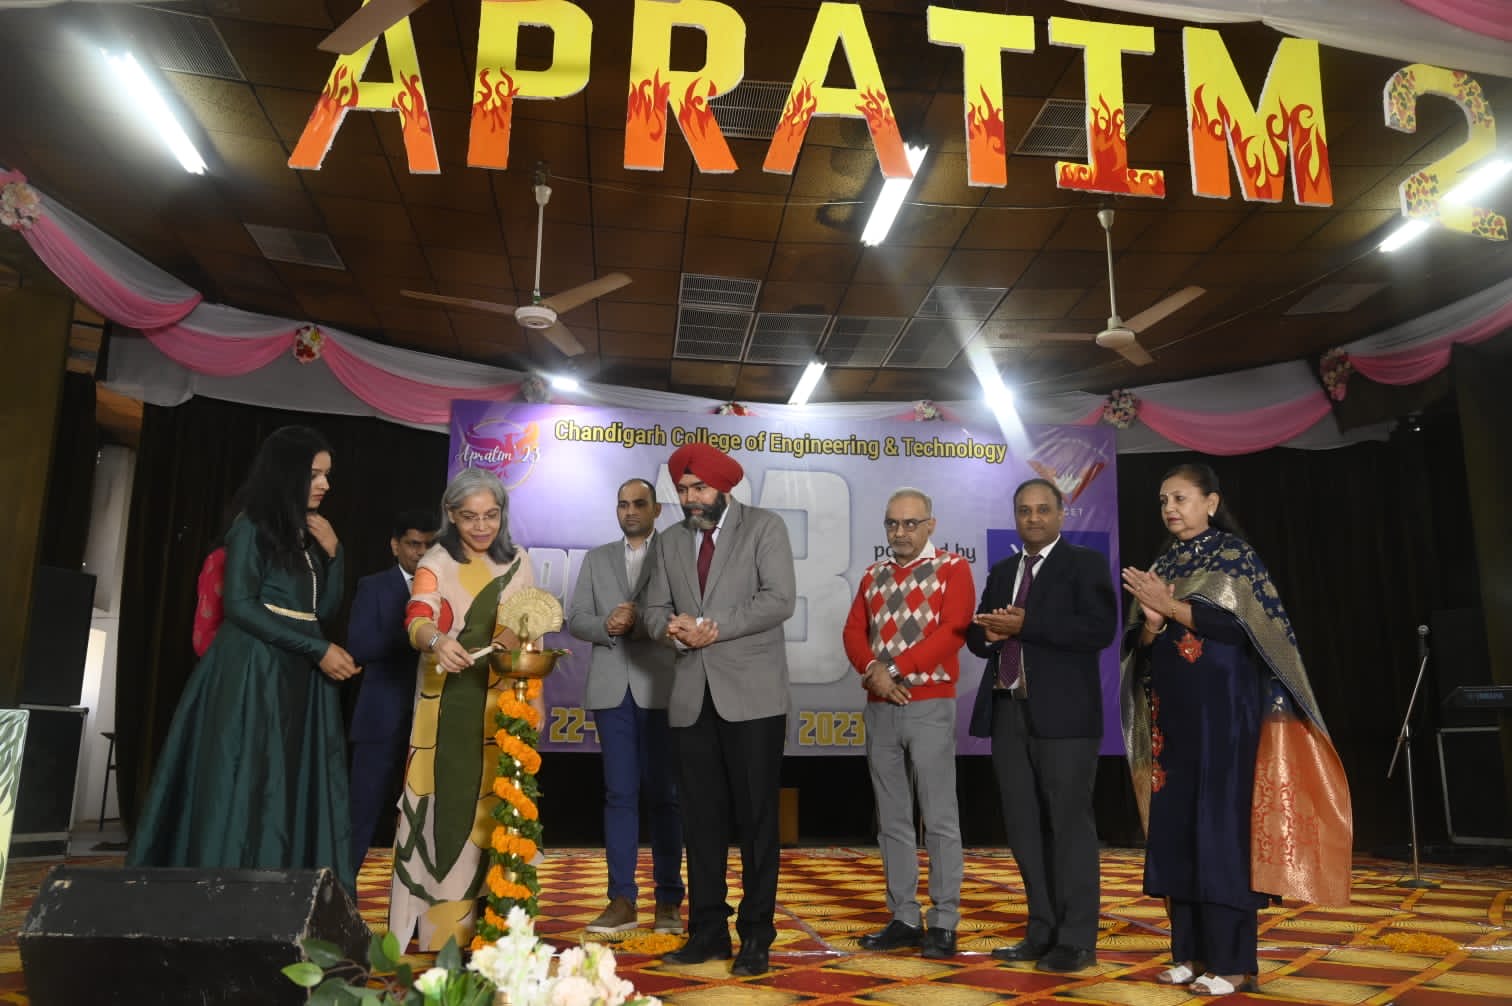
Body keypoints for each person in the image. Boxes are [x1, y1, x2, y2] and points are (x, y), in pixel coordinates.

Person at [1120, 462, 1352, 996]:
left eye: (1180, 497)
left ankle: (1233, 963)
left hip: (1226, 719)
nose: (1170, 508)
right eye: (1163, 500)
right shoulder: (1164, 563)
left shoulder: (1235, 557)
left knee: (1220, 833)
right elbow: (1138, 646)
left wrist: (1170, 606)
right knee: (1177, 831)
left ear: (1211, 502)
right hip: (1173, 721)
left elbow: (1247, 628)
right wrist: (1151, 625)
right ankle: (1190, 954)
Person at [128, 426, 360, 893]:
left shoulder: (308, 535)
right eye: (315, 474)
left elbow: (321, 613)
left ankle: (279, 888)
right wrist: (318, 650)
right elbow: (239, 606)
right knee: (246, 779)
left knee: (283, 784)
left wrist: (336, 556)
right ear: (287, 473)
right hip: (254, 670)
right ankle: (228, 892)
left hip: (295, 675)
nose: (325, 484)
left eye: (327, 475)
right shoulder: (252, 526)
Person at [642, 442, 796, 978]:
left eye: (699, 489)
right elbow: (652, 609)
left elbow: (778, 599)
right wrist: (671, 630)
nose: (690, 499)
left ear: (724, 487)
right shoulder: (669, 541)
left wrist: (714, 628)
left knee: (757, 820)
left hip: (753, 698)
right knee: (700, 821)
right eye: (683, 490)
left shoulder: (764, 527)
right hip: (691, 698)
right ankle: (707, 932)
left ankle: (756, 935)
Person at [966, 477, 1117, 974]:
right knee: (1023, 828)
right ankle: (1041, 930)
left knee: (1069, 826)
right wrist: (987, 635)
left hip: (1066, 718)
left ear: (1060, 514)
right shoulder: (1003, 569)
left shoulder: (1084, 564)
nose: (1033, 518)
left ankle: (1076, 940)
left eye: (1042, 510)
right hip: (1008, 711)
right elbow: (978, 636)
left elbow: (1098, 630)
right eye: (1025, 511)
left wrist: (1024, 625)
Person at [389, 468, 537, 952]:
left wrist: (517, 638)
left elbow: (528, 625)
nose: (481, 526)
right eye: (470, 517)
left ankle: (502, 926)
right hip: (445, 707)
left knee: (501, 812)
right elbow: (418, 619)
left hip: (504, 708)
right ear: (450, 515)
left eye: (491, 515)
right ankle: (444, 936)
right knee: (447, 812)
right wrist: (437, 641)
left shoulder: (518, 561)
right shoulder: (436, 561)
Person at [845, 488, 974, 960]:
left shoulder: (953, 568)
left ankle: (943, 920)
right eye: (892, 523)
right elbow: (853, 632)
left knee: (939, 818)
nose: (900, 532)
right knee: (892, 820)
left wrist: (894, 670)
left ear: (930, 525)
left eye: (910, 523)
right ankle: (903, 916)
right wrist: (873, 672)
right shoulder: (872, 574)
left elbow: (953, 630)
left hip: (930, 704)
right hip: (880, 706)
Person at [569, 477, 684, 936]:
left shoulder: (675, 555)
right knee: (619, 794)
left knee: (666, 797)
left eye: (639, 503)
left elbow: (681, 616)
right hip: (612, 690)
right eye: (622, 504)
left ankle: (669, 901)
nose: (630, 511)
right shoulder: (596, 559)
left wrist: (641, 623)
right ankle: (621, 900)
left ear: (656, 510)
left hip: (660, 688)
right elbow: (576, 619)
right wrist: (606, 624)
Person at [347, 509, 437, 869]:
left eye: (428, 545)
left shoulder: (446, 589)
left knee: (429, 817)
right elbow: (359, 646)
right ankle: (341, 889)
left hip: (433, 715)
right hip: (381, 715)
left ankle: (423, 899)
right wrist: (420, 635)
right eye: (414, 544)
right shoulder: (373, 586)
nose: (421, 552)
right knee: (362, 811)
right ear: (395, 546)